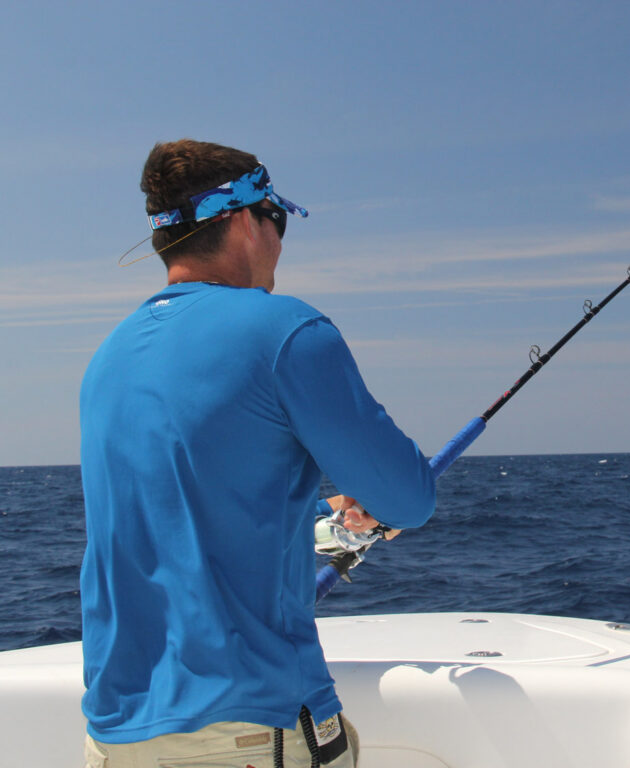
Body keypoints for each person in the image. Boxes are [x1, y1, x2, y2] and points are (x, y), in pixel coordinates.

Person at [79, 139, 436, 767]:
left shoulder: (108, 358)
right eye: (279, 218)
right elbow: (409, 496)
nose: (280, 239)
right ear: (247, 219)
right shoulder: (285, 330)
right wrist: (374, 502)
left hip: (114, 734)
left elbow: (190, 502)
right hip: (246, 729)